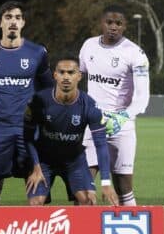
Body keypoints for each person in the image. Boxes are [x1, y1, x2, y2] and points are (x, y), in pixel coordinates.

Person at [0, 0, 54, 205]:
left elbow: (49, 88)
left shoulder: (37, 52)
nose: (13, 22)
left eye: (18, 18)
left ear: (23, 23)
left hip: (27, 130)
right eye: (8, 17)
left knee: (37, 191)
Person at [23, 56, 119, 206]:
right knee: (35, 203)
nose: (66, 77)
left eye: (71, 72)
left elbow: (101, 144)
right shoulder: (38, 101)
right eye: (62, 72)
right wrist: (35, 166)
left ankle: (79, 230)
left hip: (74, 161)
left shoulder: (90, 106)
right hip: (44, 161)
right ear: (55, 75)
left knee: (88, 201)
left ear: (79, 76)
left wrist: (106, 183)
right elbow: (27, 137)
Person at [79, 4, 150, 206]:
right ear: (102, 23)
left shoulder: (135, 53)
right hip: (92, 123)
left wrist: (123, 117)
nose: (113, 27)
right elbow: (79, 78)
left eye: (118, 23)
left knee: (123, 186)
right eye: (109, 22)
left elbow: (142, 97)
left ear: (125, 26)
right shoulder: (88, 46)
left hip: (122, 125)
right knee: (83, 185)